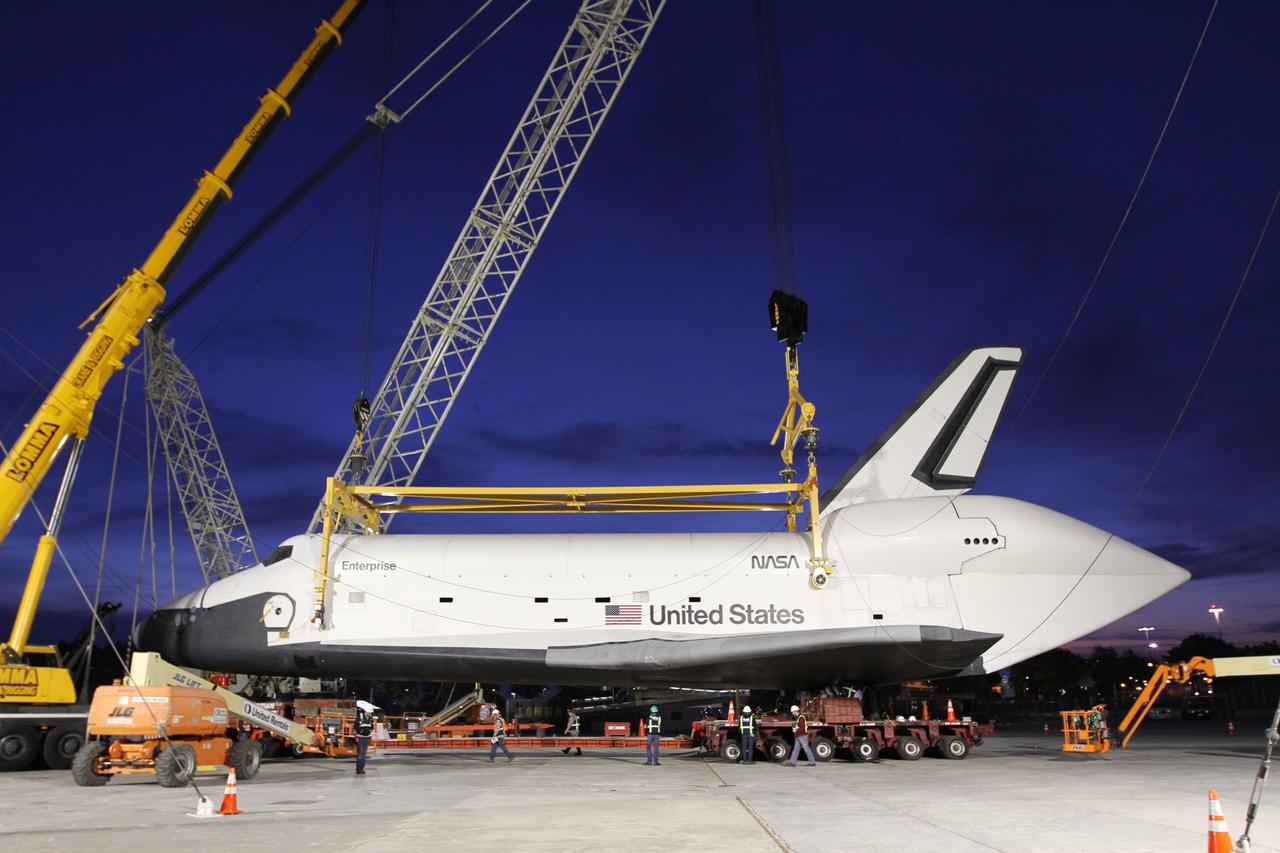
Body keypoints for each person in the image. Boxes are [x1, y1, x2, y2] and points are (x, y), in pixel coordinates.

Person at [354, 699, 378, 775]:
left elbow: (371, 727)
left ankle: (362, 768)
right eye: (369, 711)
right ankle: (359, 769)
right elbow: (355, 726)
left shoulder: (370, 718)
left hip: (367, 737)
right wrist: (359, 732)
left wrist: (370, 732)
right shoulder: (360, 716)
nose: (370, 713)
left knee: (364, 754)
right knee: (361, 754)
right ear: (366, 711)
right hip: (360, 737)